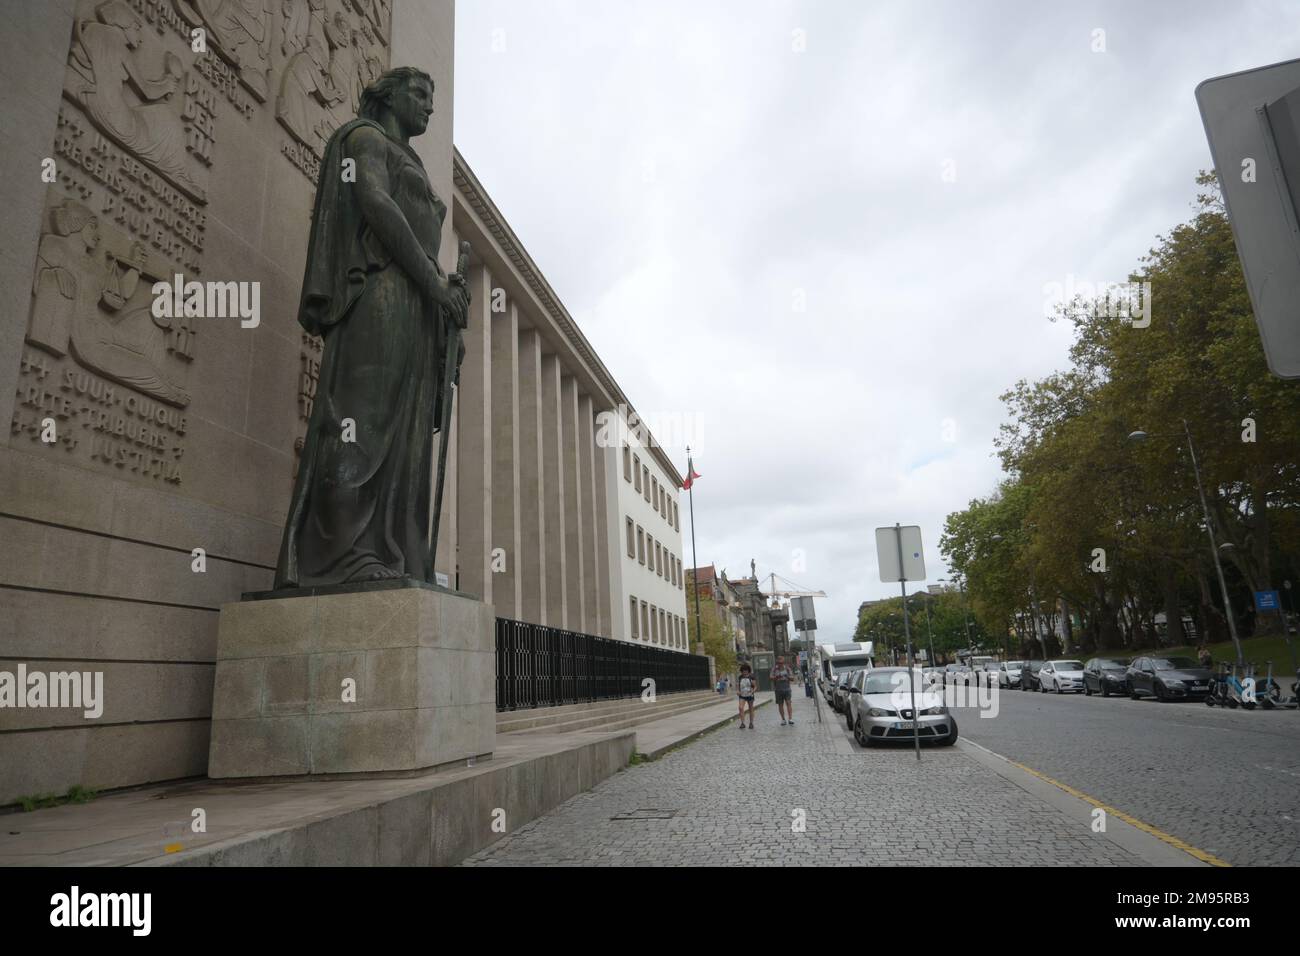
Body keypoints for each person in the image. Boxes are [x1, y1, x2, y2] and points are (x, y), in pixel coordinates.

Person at [771, 655, 795, 725]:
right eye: (779, 663)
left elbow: (792, 678)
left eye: (781, 662)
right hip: (778, 689)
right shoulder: (774, 669)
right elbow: (770, 677)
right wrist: (776, 677)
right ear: (777, 663)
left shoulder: (787, 668)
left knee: (788, 703)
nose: (780, 664)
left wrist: (787, 676)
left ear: (783, 662)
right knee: (780, 705)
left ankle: (790, 719)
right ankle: (783, 719)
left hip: (787, 688)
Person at [736, 664, 756, 729]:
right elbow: (738, 685)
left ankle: (751, 723)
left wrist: (753, 691)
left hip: (750, 695)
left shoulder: (751, 677)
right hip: (742, 695)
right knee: (740, 707)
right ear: (741, 671)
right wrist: (738, 691)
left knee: (751, 709)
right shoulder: (740, 677)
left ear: (748, 671)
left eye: (746, 670)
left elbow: (755, 686)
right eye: (743, 670)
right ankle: (742, 723)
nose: (745, 672)